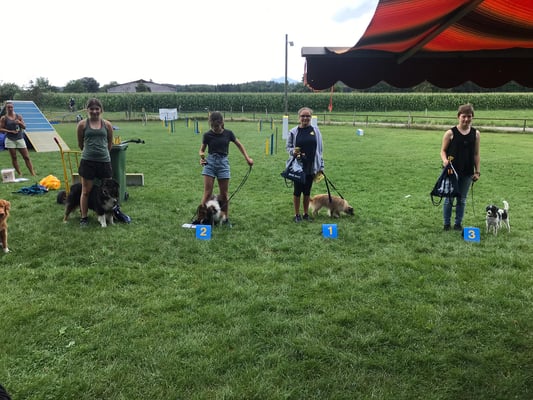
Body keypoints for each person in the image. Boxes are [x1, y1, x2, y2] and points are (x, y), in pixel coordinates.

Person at [198, 111, 254, 227]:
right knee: (207, 193)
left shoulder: (229, 134)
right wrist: (201, 157)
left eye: (217, 126)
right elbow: (201, 150)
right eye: (212, 126)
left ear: (222, 123)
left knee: (224, 195)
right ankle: (201, 219)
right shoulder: (207, 135)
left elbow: (239, 145)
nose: (215, 128)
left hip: (223, 164)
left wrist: (247, 158)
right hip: (210, 163)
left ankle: (225, 218)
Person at [440, 103, 480, 231]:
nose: (466, 119)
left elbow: (476, 154)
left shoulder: (476, 134)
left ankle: (458, 224)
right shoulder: (450, 133)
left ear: (472, 117)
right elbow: (443, 151)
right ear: (458, 116)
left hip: (467, 172)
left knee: (462, 200)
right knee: (449, 199)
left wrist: (477, 171)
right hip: (451, 171)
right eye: (464, 116)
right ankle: (446, 224)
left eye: (469, 116)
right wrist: (445, 161)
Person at [77, 98, 114, 227]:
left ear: (101, 110)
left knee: (108, 191)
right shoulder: (82, 125)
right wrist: (90, 153)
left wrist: (103, 154)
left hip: (104, 162)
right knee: (86, 191)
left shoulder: (107, 125)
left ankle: (109, 215)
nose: (94, 111)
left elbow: (110, 143)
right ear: (87, 110)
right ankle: (84, 217)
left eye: (97, 109)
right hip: (88, 162)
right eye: (91, 109)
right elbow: (80, 144)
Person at [286, 107, 324, 222]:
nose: (305, 118)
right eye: (303, 116)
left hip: (311, 166)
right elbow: (288, 147)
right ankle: (297, 215)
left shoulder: (316, 131)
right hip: (298, 167)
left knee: (307, 192)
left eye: (308, 116)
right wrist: (293, 151)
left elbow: (320, 150)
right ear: (299, 117)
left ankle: (306, 214)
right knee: (297, 191)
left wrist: (321, 166)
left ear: (310, 117)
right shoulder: (293, 132)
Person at [0, 101, 36, 176]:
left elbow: (24, 127)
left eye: (11, 107)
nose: (10, 109)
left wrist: (20, 123)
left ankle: (32, 173)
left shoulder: (18, 116)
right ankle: (19, 173)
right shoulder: (4, 118)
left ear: (13, 107)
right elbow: (1, 129)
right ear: (6, 108)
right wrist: (10, 131)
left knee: (26, 157)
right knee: (14, 157)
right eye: (8, 107)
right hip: (10, 140)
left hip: (20, 138)